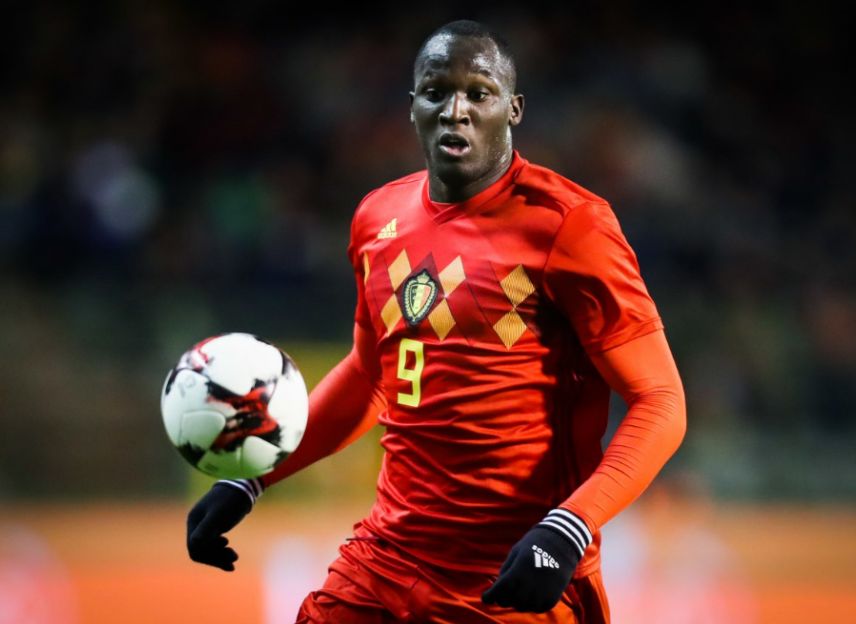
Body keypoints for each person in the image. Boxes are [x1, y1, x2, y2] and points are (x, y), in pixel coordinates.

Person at [186, 19, 686, 623]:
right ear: (413, 107)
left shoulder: (569, 225)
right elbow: (370, 375)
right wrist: (253, 475)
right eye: (436, 92)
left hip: (512, 576)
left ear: (514, 109)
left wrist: (569, 528)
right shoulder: (377, 218)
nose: (456, 111)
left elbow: (660, 401)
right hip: (386, 562)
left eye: (479, 93)